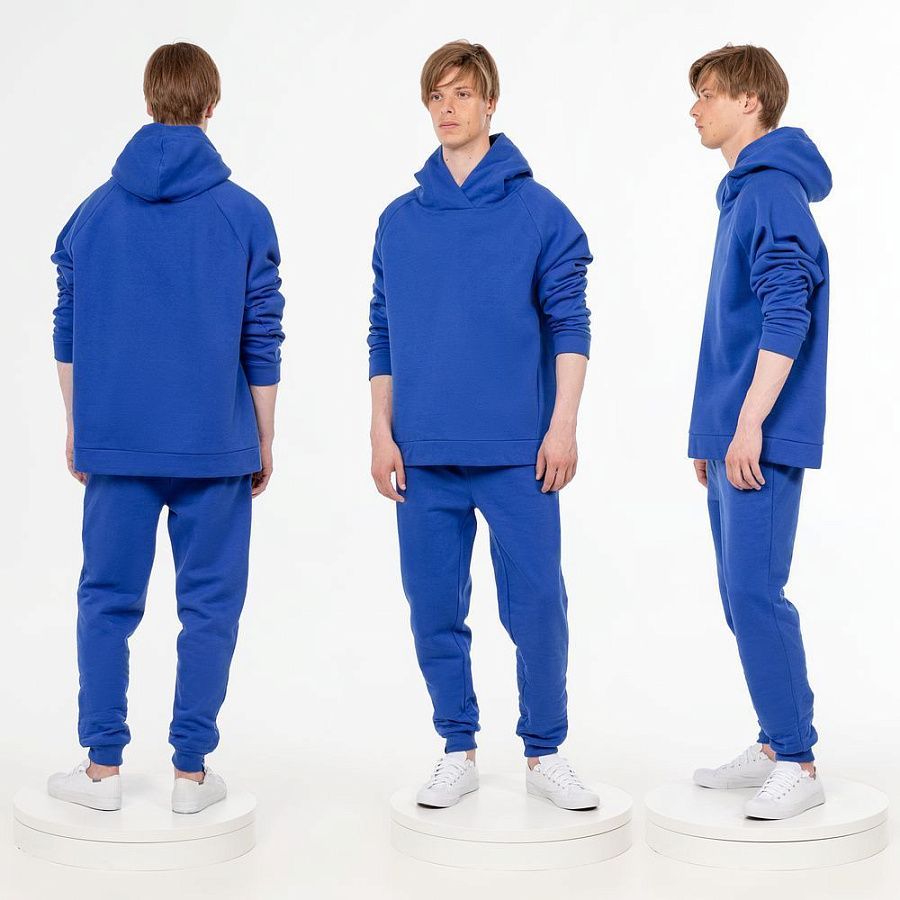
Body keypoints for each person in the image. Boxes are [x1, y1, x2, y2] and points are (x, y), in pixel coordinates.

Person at [47, 42, 285, 814]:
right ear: (212, 106)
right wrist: (263, 435)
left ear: (150, 101)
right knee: (209, 608)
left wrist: (79, 424)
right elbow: (262, 336)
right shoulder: (244, 214)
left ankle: (101, 773)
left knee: (105, 602)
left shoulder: (93, 213)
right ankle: (190, 776)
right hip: (216, 441)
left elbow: (68, 327)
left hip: (116, 437)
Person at [368, 40, 598, 811]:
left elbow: (571, 325)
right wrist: (380, 430)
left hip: (518, 451)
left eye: (462, 93)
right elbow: (382, 331)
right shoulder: (399, 222)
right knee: (434, 608)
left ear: (490, 103)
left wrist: (562, 426)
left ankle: (545, 751)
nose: (447, 107)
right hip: (423, 449)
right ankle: (457, 746)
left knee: (537, 609)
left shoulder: (540, 213)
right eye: (436, 94)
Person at [686, 44, 830, 820]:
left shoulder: (771, 188)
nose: (695, 108)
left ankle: (799, 761)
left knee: (754, 593)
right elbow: (732, 330)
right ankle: (778, 742)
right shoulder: (743, 193)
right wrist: (711, 433)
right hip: (734, 436)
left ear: (750, 101)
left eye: (708, 93)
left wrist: (748, 424)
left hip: (762, 435)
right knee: (738, 597)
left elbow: (787, 312)